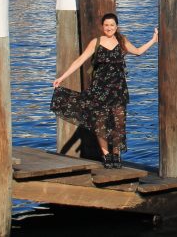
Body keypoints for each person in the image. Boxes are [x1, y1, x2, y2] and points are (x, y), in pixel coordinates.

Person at [51, 13, 158, 169]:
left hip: (118, 90)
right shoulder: (96, 42)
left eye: (112, 25)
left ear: (116, 27)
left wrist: (153, 40)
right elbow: (80, 60)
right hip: (99, 90)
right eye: (106, 25)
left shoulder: (122, 41)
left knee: (118, 123)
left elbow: (138, 52)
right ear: (102, 27)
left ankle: (116, 154)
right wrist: (61, 78)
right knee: (100, 123)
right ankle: (106, 155)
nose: (109, 28)